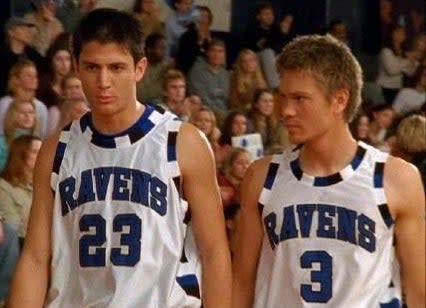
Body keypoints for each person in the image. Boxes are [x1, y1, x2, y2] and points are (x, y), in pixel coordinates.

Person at [8, 8, 231, 308]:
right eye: (91, 67)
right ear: (75, 66)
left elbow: (215, 251)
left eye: (116, 67)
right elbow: (35, 257)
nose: (103, 81)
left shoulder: (182, 142)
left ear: (139, 68)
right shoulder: (56, 150)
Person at [232, 35, 425, 308]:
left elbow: (419, 292)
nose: (286, 110)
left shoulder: (396, 178)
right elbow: (241, 283)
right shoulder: (262, 175)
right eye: (282, 96)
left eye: (300, 98)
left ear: (339, 100)